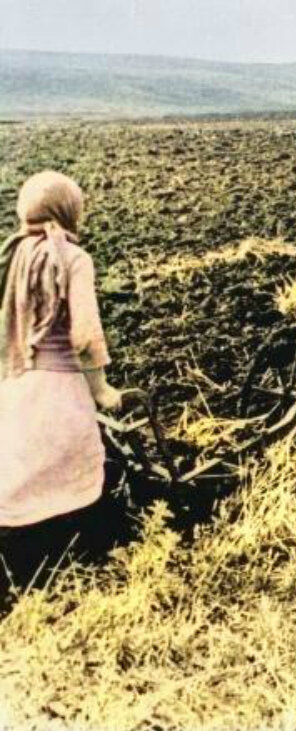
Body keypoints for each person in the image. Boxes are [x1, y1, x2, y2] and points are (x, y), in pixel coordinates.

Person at [0, 171, 123, 597]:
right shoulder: (72, 258)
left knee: (19, 484)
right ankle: (82, 571)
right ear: (70, 211)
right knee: (77, 479)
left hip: (14, 386)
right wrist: (102, 389)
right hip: (57, 393)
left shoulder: (12, 255)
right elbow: (85, 338)